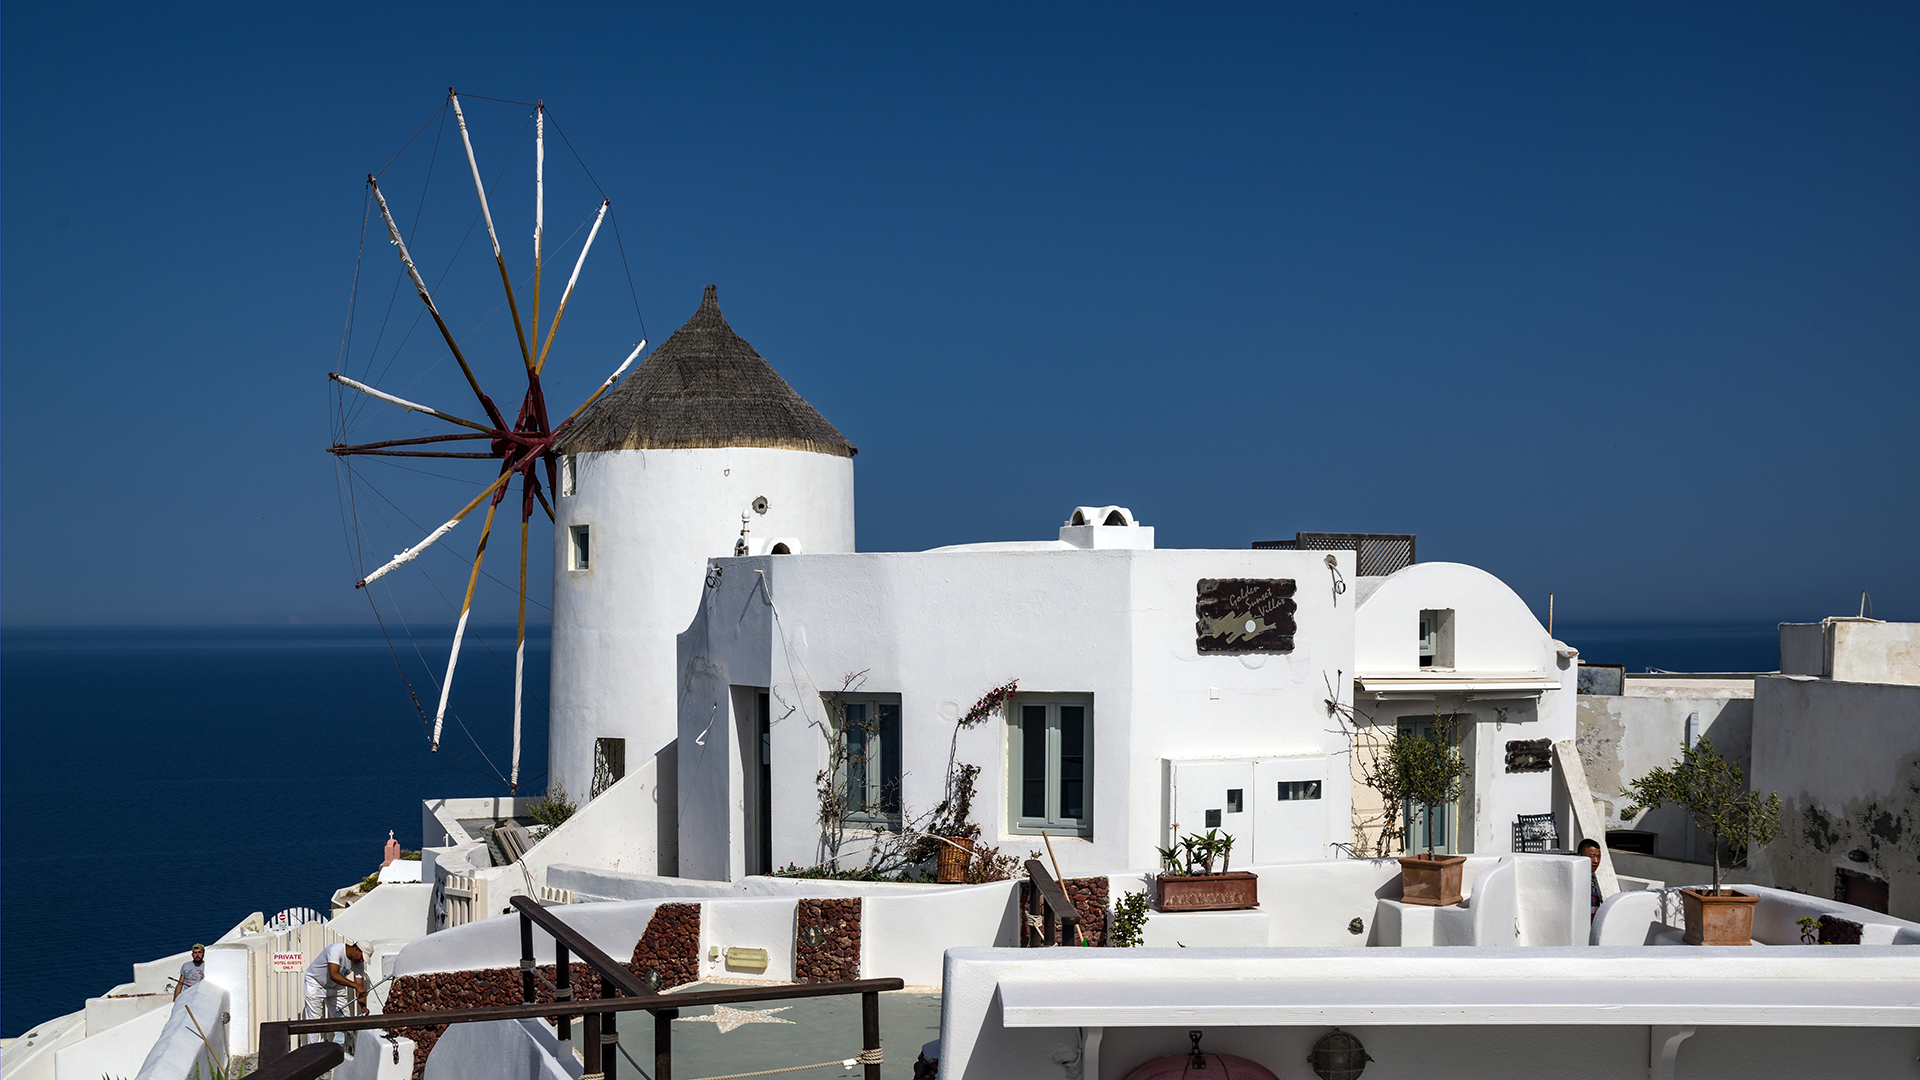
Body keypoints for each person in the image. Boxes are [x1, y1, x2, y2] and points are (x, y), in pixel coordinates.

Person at [303, 940, 368, 1029]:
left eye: (363, 959)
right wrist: (356, 986)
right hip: (315, 982)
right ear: (356, 949)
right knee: (314, 1021)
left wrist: (363, 1007)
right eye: (362, 957)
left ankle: (343, 1043)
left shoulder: (359, 963)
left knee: (344, 1019)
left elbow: (359, 989)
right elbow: (333, 975)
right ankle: (315, 1043)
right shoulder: (335, 949)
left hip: (335, 984)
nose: (361, 961)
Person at [1579, 839, 1604, 921]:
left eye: (1598, 857)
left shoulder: (1592, 879)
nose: (1596, 861)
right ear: (1579, 857)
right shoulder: (1577, 880)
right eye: (1592, 856)